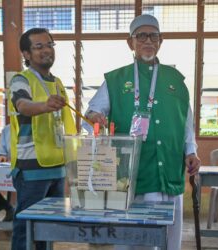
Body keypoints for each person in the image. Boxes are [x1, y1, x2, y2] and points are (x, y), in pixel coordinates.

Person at [85, 15, 201, 250]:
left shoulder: (176, 81)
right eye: (141, 36)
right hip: (131, 173)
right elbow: (91, 115)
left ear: (161, 40)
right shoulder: (115, 80)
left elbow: (186, 122)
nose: (148, 40)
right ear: (131, 43)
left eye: (153, 35)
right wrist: (95, 119)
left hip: (168, 169)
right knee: (130, 239)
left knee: (169, 236)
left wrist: (191, 151)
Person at [8, 28, 77, 250]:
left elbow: (66, 123)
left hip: (57, 168)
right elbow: (22, 105)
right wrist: (44, 106)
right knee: (26, 229)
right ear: (26, 54)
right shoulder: (21, 79)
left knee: (47, 229)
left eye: (49, 45)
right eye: (39, 47)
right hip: (32, 169)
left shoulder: (57, 83)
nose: (46, 50)